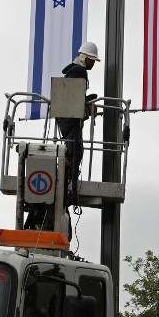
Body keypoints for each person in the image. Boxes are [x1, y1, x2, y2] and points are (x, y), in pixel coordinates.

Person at [57, 41, 100, 206]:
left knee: (74, 152)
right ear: (86, 58)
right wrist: (88, 103)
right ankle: (70, 190)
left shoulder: (73, 70)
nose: (94, 64)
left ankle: (69, 186)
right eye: (93, 60)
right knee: (76, 153)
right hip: (70, 118)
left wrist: (87, 101)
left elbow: (73, 96)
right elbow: (74, 98)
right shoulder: (79, 71)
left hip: (67, 116)